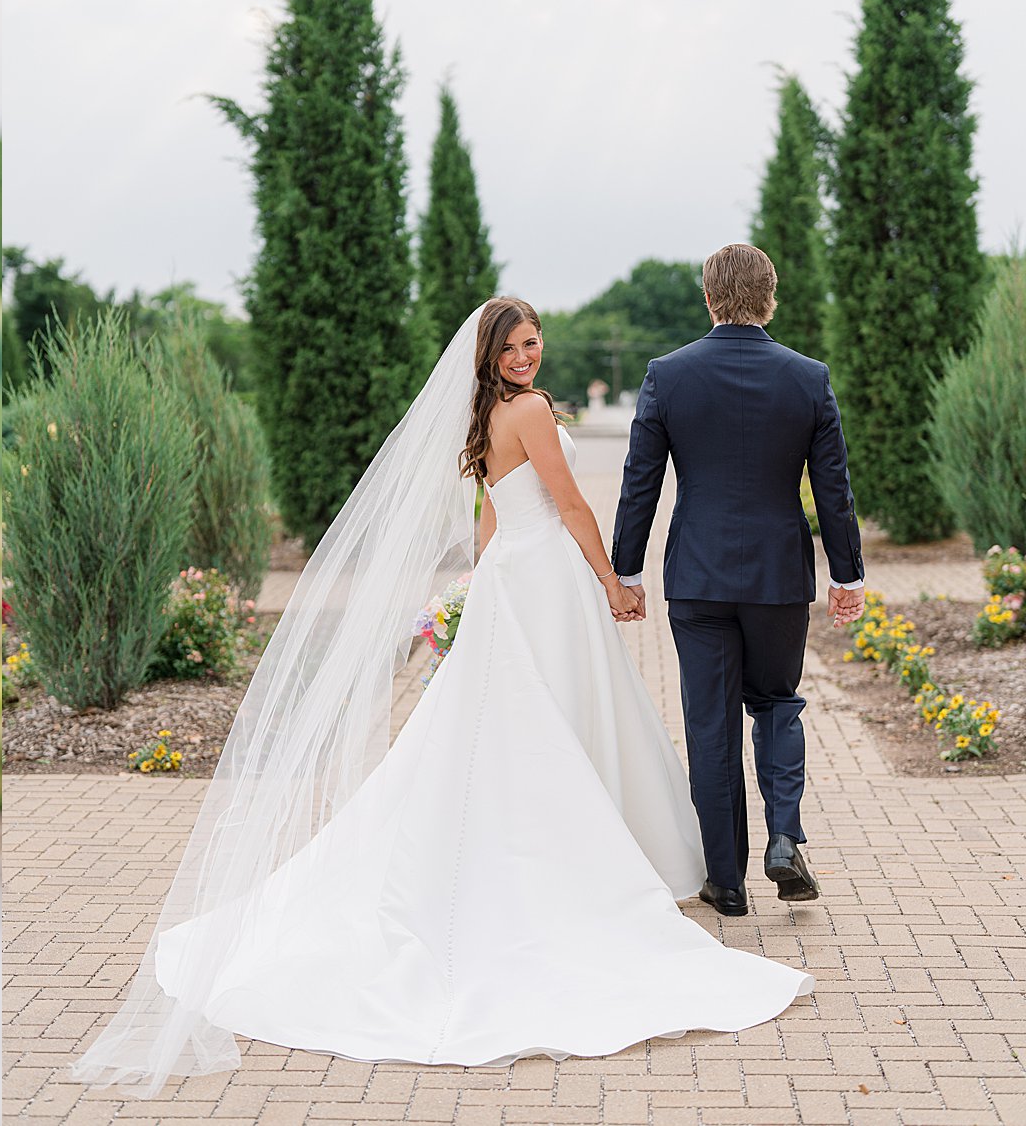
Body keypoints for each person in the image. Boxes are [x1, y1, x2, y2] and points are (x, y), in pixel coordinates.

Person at [74, 298, 817, 1096]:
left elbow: (493, 516)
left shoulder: (488, 412)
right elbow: (566, 504)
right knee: (557, 714)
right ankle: (575, 852)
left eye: (533, 344)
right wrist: (612, 580)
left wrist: (480, 586)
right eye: (513, 348)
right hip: (544, 583)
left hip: (512, 579)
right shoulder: (528, 410)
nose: (527, 357)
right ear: (491, 356)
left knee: (514, 720)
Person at [612, 243, 863, 916]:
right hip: (781, 577)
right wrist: (848, 575)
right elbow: (832, 490)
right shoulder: (809, 378)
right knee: (777, 701)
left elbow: (641, 483)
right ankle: (784, 834)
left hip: (697, 578)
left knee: (711, 726)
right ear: (771, 296)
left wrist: (625, 572)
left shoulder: (669, 375)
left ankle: (727, 882)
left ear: (708, 297)